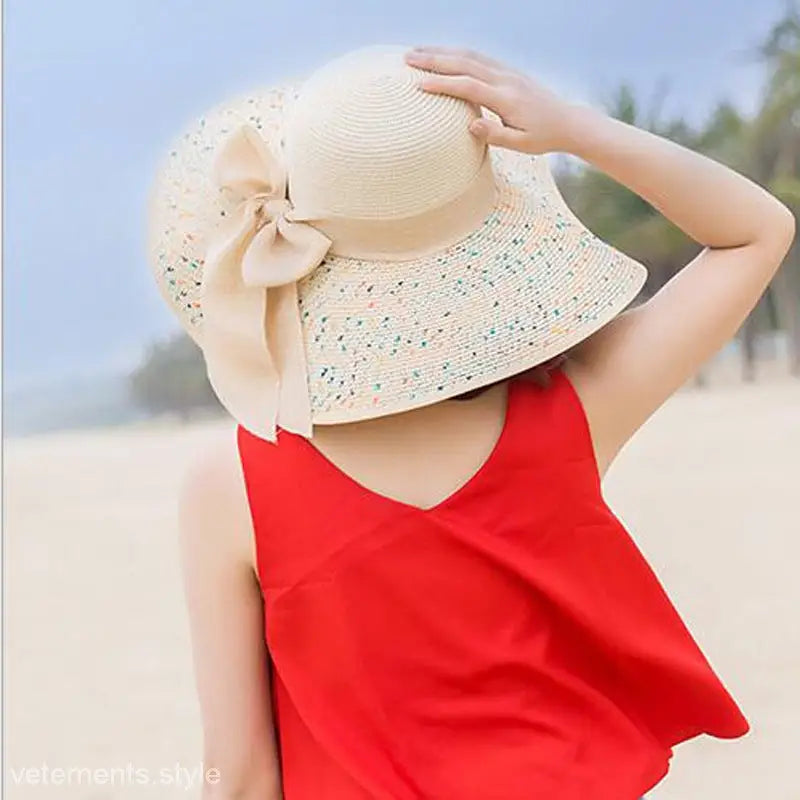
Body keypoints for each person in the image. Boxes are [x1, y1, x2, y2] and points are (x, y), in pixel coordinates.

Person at [147, 45, 794, 799]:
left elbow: (241, 777)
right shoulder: (578, 410)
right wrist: (576, 129)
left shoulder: (232, 486)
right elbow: (756, 231)